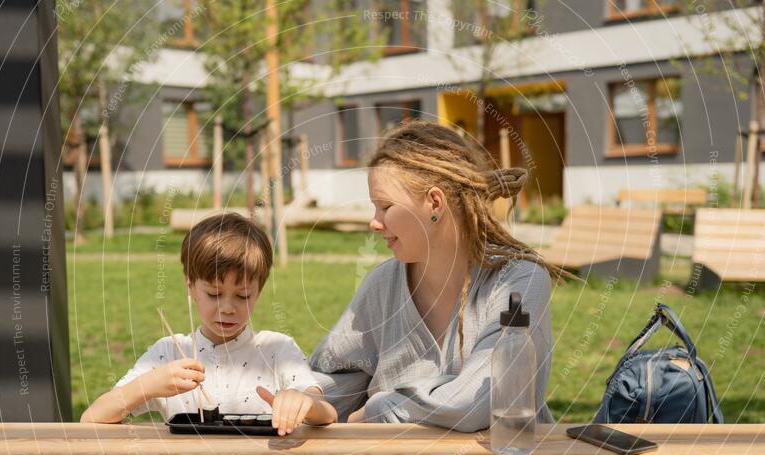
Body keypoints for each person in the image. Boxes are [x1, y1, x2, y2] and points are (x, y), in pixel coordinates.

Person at [309, 119, 569, 431]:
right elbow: (336, 375)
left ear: (434, 203)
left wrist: (377, 408)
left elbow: (478, 401)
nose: (374, 222)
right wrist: (307, 396)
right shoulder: (383, 283)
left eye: (385, 206)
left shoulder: (519, 281)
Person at [81, 212, 337, 435]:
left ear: (259, 291)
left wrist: (305, 403)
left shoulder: (277, 349)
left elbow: (328, 414)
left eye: (243, 295)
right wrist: (148, 386)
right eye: (214, 294)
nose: (227, 308)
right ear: (190, 286)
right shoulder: (168, 353)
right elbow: (92, 418)